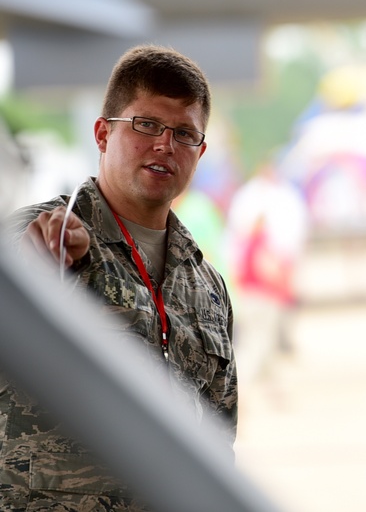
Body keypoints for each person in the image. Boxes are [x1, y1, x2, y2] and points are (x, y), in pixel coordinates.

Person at [3, 45, 237, 511]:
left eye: (185, 134)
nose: (165, 145)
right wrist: (41, 272)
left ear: (201, 151)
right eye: (147, 125)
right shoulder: (39, 236)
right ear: (103, 134)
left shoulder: (207, 285)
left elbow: (218, 438)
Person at [226, 159, 309, 386]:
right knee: (258, 344)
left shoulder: (245, 243)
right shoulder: (260, 241)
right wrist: (285, 285)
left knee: (262, 343)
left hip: (251, 292)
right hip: (263, 295)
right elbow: (268, 270)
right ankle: (240, 387)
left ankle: (271, 390)